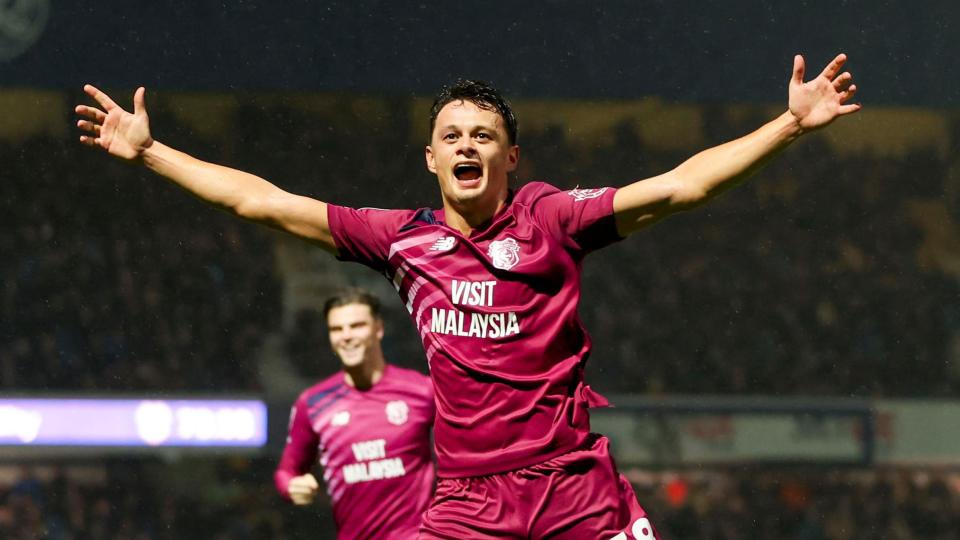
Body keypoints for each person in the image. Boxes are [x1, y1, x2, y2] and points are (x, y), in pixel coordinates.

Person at [76, 53, 859, 539]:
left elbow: (682, 186)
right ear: (429, 158)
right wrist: (152, 156)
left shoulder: (553, 217)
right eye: (452, 136)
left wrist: (787, 127)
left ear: (511, 155)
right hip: (466, 507)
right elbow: (263, 202)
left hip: (573, 490)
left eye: (483, 136)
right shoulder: (401, 241)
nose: (467, 146)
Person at [274, 289, 435, 539]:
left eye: (357, 325)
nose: (346, 336)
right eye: (337, 329)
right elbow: (287, 471)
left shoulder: (422, 390)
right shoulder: (313, 403)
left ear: (378, 329)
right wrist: (291, 487)